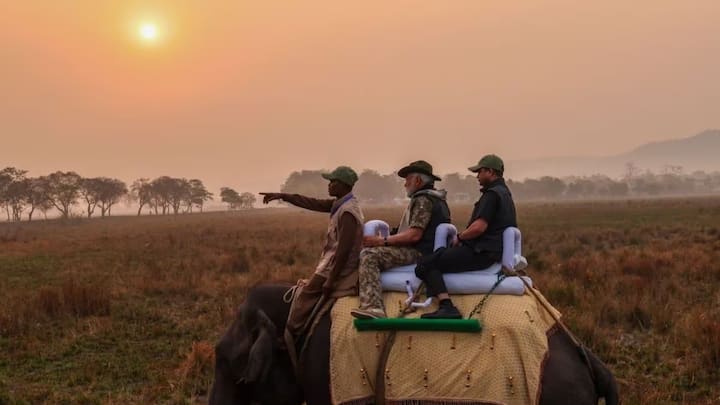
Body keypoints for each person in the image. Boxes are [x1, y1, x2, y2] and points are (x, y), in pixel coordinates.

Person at [260, 166, 364, 336]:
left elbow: (343, 251)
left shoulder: (347, 212)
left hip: (337, 267)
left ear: (344, 185)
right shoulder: (341, 204)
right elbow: (312, 203)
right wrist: (283, 196)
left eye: (333, 182)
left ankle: (293, 334)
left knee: (305, 297)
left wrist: (330, 280)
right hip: (331, 263)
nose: (329, 185)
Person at [415, 154, 517, 319]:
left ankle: (446, 306)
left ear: (490, 172)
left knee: (425, 263)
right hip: (491, 251)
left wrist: (460, 237)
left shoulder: (491, 195)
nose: (477, 176)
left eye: (480, 172)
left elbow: (479, 227)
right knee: (438, 257)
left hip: (481, 252)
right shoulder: (505, 193)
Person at [350, 160, 451, 319]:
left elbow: (414, 235)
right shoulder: (437, 199)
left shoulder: (423, 200)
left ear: (418, 180)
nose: (405, 184)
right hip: (429, 250)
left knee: (369, 256)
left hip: (419, 252)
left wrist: (381, 241)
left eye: (408, 180)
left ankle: (373, 307)